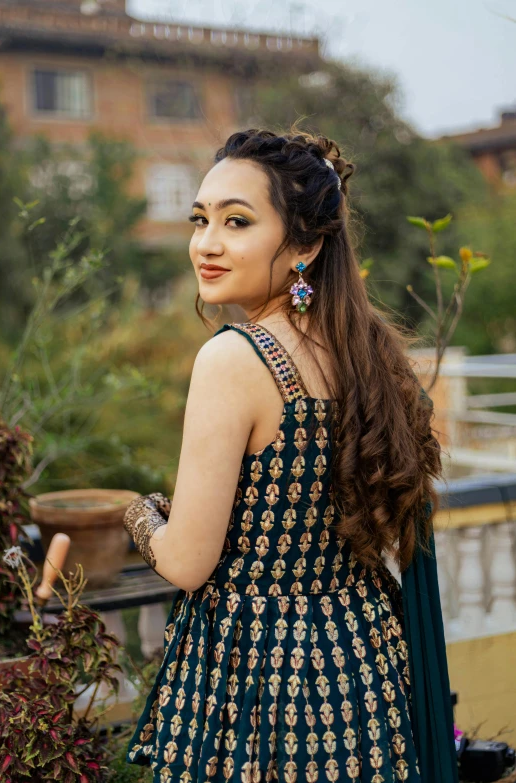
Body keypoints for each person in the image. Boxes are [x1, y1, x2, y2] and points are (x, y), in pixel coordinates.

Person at [123, 125, 458, 782]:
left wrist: (139, 513)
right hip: (363, 670)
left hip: (259, 684)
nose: (206, 243)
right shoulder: (369, 356)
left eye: (237, 221)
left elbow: (190, 560)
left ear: (304, 246)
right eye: (201, 219)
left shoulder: (233, 357)